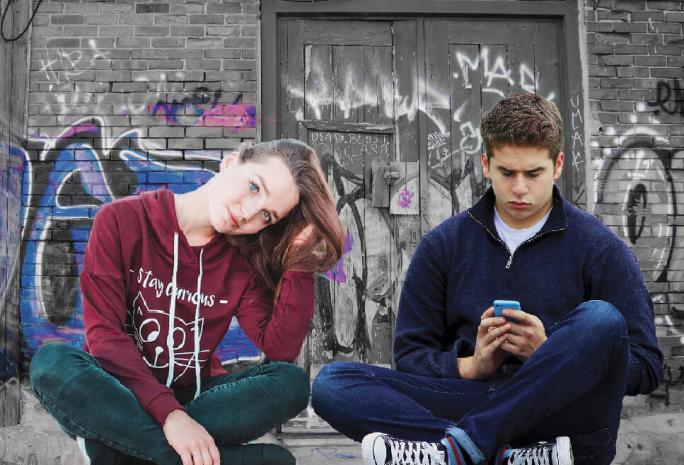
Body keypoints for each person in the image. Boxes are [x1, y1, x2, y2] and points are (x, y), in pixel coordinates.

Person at [311, 93, 663, 465]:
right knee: (333, 384)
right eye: (507, 173)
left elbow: (647, 366)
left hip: (563, 416)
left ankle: (462, 450)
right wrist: (472, 365)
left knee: (601, 319)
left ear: (557, 165)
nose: (520, 188)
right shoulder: (443, 245)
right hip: (474, 400)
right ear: (485, 164)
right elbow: (411, 356)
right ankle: (495, 453)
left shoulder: (599, 247)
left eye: (534, 173)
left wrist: (553, 355)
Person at [29, 139, 345, 465]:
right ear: (231, 161)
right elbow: (105, 338)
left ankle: (114, 449)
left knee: (290, 383)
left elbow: (279, 349)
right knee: (51, 363)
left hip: (195, 397)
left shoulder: (243, 259)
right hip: (119, 389)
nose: (249, 213)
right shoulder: (121, 220)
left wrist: (299, 260)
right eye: (253, 187)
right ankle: (192, 456)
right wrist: (170, 418)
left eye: (267, 215)